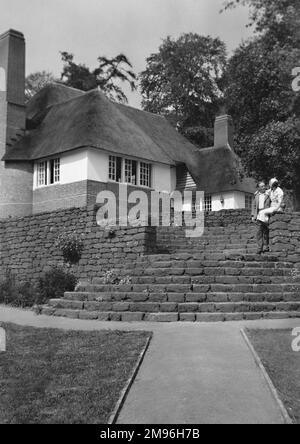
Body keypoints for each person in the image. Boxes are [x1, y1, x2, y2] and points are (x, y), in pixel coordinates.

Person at [252, 182, 271, 254]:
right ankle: (259, 248)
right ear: (259, 188)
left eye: (264, 186)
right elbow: (253, 206)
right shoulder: (256, 195)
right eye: (262, 186)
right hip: (259, 214)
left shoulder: (268, 194)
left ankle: (266, 247)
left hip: (266, 213)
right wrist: (253, 215)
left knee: (266, 231)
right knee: (259, 232)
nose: (264, 187)